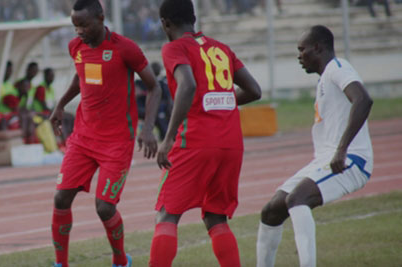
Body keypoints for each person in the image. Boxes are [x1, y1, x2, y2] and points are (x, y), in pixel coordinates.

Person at [48, 1, 162, 266]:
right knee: (61, 198)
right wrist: (60, 104)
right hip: (83, 137)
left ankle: (121, 260)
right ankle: (60, 263)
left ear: (101, 18)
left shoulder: (125, 48)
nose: (79, 31)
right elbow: (81, 78)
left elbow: (154, 88)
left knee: (104, 207)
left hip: (116, 142)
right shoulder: (76, 47)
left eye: (84, 25)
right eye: (75, 25)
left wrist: (147, 129)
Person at [150, 1, 262, 266]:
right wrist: (217, 99)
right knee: (215, 217)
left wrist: (167, 139)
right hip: (231, 144)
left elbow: (187, 85)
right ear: (194, 18)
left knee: (166, 216)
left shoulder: (174, 48)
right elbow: (254, 90)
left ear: (165, 23)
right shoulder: (221, 48)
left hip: (197, 142)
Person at [256, 25, 373, 267]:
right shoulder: (324, 79)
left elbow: (363, 99)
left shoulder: (338, 68)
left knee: (297, 199)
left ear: (318, 48)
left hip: (351, 159)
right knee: (271, 211)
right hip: (323, 160)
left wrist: (342, 150)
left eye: (302, 50)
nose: (299, 56)